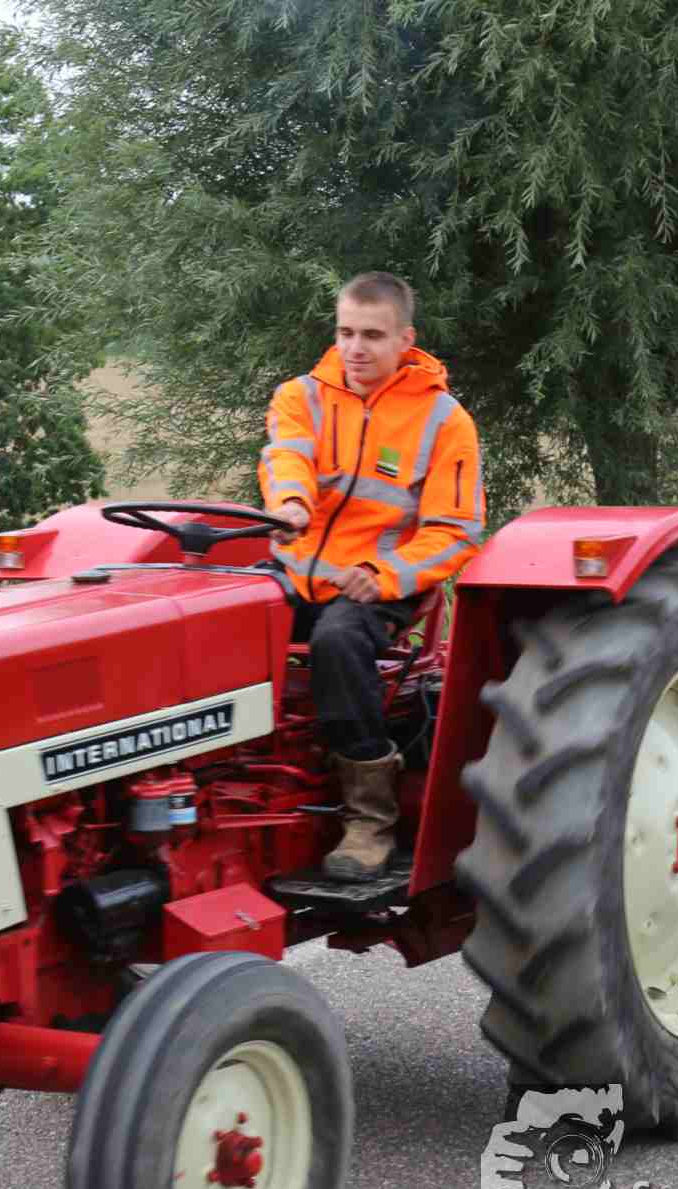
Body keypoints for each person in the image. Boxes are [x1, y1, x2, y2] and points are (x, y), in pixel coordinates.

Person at [258, 271, 484, 881]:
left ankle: (370, 818)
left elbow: (455, 531)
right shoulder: (301, 396)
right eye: (346, 332)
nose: (355, 348)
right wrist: (291, 506)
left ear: (406, 339)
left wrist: (380, 574)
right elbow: (287, 458)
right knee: (219, 614)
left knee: (336, 640)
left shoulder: (443, 421)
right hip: (297, 570)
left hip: (384, 584)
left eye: (372, 336)